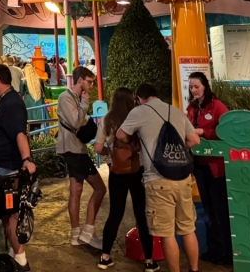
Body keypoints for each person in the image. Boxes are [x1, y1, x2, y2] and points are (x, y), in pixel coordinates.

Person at [115, 84, 201, 272]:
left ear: (139, 98)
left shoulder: (139, 112)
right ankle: (194, 269)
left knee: (167, 233)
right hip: (184, 177)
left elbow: (120, 135)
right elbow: (195, 140)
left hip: (158, 179)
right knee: (188, 229)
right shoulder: (176, 111)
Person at [0, 65, 37, 271]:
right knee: (6, 214)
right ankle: (15, 254)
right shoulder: (3, 100)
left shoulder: (11, 103)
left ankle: (21, 260)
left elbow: (19, 134)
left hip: (5, 169)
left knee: (9, 214)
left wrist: (27, 159)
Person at [94, 89, 157, 271]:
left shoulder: (107, 119)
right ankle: (149, 261)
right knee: (141, 215)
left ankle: (105, 257)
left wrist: (111, 152)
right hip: (138, 171)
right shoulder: (137, 117)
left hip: (117, 172)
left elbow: (98, 148)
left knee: (115, 214)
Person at [56, 66, 106, 250]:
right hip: (72, 149)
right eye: (89, 81)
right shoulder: (66, 97)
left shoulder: (76, 98)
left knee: (76, 190)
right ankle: (85, 233)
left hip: (77, 148)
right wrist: (85, 104)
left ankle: (77, 235)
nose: (91, 86)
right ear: (79, 81)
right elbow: (76, 121)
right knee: (99, 188)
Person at [187, 72, 231, 265]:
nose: (194, 90)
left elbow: (229, 131)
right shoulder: (191, 108)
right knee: (209, 209)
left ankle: (227, 251)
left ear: (205, 86)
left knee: (221, 209)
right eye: (191, 87)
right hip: (200, 166)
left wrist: (205, 131)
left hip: (217, 167)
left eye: (197, 86)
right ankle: (215, 249)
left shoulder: (217, 106)